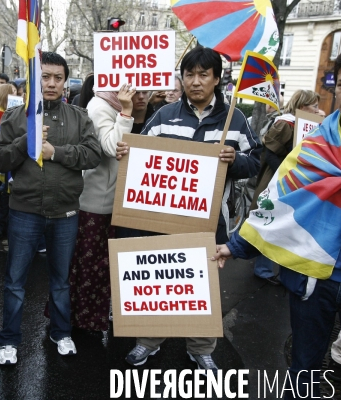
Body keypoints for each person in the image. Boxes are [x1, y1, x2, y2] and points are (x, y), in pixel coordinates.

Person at [214, 42, 341, 400]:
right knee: (304, 365)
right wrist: (234, 245)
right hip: (313, 276)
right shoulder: (315, 146)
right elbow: (278, 202)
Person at [116, 46, 261, 371]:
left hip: (209, 223)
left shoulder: (234, 119)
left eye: (203, 74)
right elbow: (140, 151)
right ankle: (148, 343)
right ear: (181, 78)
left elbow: (256, 162)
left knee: (201, 289)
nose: (195, 81)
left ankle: (200, 348)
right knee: (158, 282)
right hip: (161, 221)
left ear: (217, 79)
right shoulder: (165, 114)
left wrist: (234, 160)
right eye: (189, 74)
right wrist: (127, 149)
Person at [0, 52, 101, 365]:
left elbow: (92, 155)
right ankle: (9, 341)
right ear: (34, 80)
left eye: (57, 77)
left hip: (66, 212)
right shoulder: (15, 117)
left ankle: (61, 332)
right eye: (45, 76)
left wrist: (55, 152)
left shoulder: (79, 117)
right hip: (24, 211)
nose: (51, 83)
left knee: (61, 279)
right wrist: (26, 141)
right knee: (15, 280)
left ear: (66, 82)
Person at [69, 84, 155, 332]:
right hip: (100, 204)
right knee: (92, 265)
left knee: (118, 263)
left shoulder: (151, 112)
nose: (142, 96)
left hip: (132, 202)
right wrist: (126, 113)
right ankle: (84, 321)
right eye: (136, 90)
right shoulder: (99, 106)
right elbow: (112, 147)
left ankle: (112, 312)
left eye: (146, 91)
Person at [250, 89, 320, 285]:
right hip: (277, 182)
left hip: (294, 183)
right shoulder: (286, 124)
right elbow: (270, 153)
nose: (317, 110)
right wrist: (286, 176)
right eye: (314, 106)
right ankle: (262, 269)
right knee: (270, 222)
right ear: (301, 106)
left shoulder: (305, 125)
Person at [0, 83, 17, 240]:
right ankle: (2, 226)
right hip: (5, 155)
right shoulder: (0, 114)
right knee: (5, 192)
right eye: (13, 92)